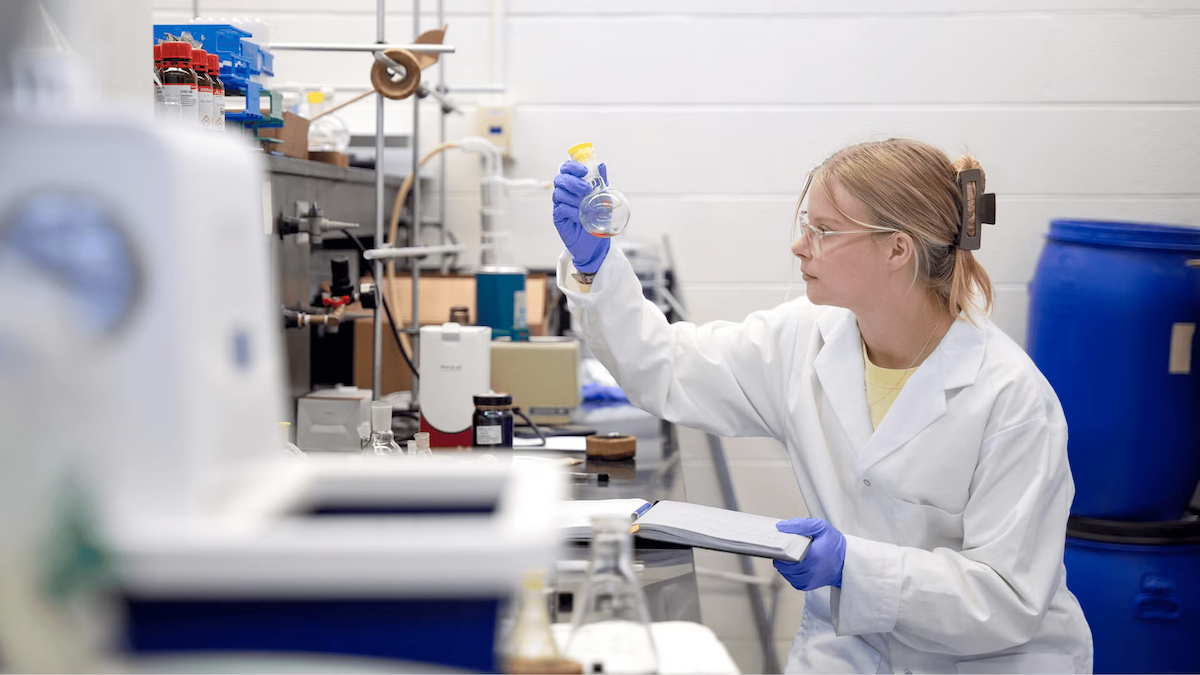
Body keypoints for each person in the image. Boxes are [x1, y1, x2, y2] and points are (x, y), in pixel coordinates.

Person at [550, 138, 1093, 673]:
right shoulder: (804, 338)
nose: (800, 246)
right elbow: (667, 366)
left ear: (897, 249)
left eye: (824, 230)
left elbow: (1006, 601)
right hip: (849, 656)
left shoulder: (1011, 399)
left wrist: (854, 567)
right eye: (806, 225)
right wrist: (598, 262)